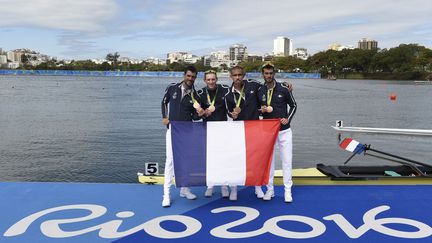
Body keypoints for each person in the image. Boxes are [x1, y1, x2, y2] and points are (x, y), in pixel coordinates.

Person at [161, 65, 205, 207]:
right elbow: (163, 102)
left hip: (187, 131)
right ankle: (166, 194)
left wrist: (199, 114)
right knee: (170, 161)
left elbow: (194, 116)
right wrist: (164, 117)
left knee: (187, 161)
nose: (190, 79)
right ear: (184, 75)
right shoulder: (172, 88)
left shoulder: (196, 95)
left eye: (193, 77)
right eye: (188, 76)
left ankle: (185, 190)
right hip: (173, 129)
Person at [257, 62, 297, 203]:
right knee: (269, 162)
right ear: (262, 74)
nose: (268, 75)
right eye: (266, 73)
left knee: (287, 161)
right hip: (268, 132)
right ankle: (270, 190)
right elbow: (255, 109)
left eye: (270, 73)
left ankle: (287, 190)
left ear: (274, 73)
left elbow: (293, 105)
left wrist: (288, 118)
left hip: (284, 131)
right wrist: (260, 111)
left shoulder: (283, 88)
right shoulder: (259, 90)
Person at [224, 66, 263, 201]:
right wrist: (232, 114)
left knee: (255, 159)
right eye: (234, 75)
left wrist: (285, 86)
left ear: (244, 75)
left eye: (240, 75)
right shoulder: (229, 95)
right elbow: (229, 111)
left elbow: (268, 87)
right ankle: (234, 188)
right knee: (236, 159)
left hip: (254, 128)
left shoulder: (253, 86)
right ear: (231, 77)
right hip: (238, 129)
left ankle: (257, 186)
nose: (237, 77)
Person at [197, 70, 230, 198]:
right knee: (210, 159)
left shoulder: (225, 89)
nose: (211, 82)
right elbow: (196, 114)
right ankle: (210, 185)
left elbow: (241, 85)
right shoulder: (200, 93)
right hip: (208, 129)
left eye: (213, 79)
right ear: (205, 81)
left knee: (223, 158)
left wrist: (285, 84)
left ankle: (223, 185)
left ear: (216, 79)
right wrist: (204, 113)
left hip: (222, 128)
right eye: (208, 79)